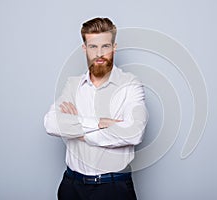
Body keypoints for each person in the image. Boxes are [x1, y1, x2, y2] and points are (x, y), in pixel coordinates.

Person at [44, 17, 148, 200]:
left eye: (105, 46)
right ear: (85, 48)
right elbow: (51, 123)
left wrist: (75, 130)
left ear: (114, 47)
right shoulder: (73, 84)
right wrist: (100, 123)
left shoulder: (130, 84)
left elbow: (134, 133)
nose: (99, 53)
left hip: (113, 187)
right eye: (93, 47)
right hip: (71, 186)